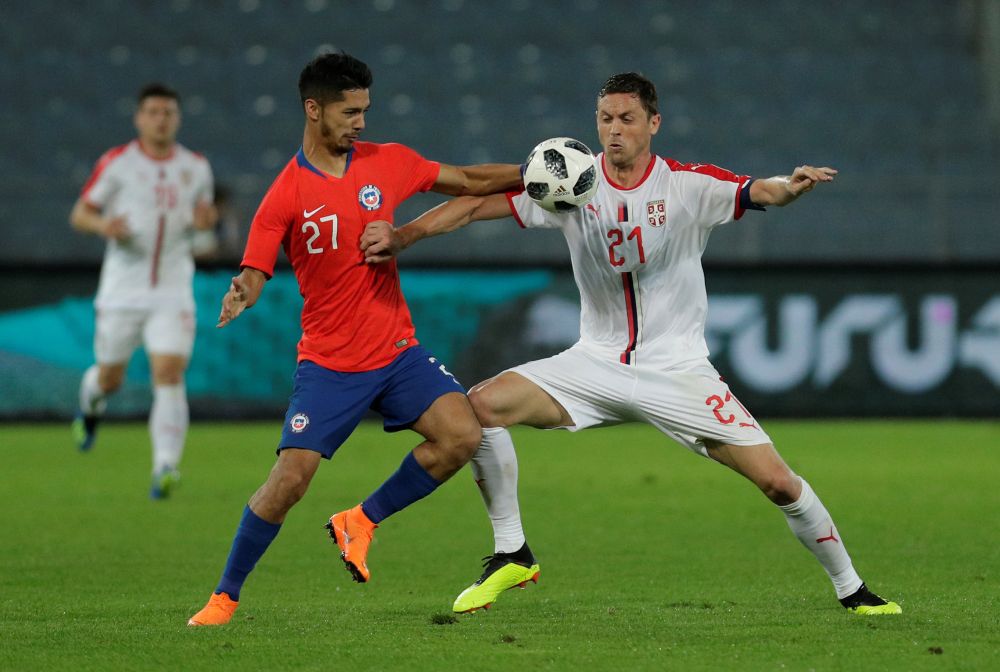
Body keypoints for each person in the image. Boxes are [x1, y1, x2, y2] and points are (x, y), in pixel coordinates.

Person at [360, 72, 901, 616]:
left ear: (654, 124)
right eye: (605, 119)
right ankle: (512, 552)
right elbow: (475, 206)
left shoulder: (686, 185)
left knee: (779, 483)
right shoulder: (572, 181)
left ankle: (853, 589)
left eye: (627, 119)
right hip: (593, 362)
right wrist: (404, 236)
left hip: (677, 370)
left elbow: (760, 191)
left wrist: (791, 185)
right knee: (478, 409)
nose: (614, 131)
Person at [187, 52, 521, 627]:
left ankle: (359, 521)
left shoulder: (388, 163)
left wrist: (541, 170)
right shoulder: (287, 193)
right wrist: (244, 287)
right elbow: (257, 264)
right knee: (290, 479)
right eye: (349, 111)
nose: (361, 122)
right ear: (313, 110)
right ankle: (224, 597)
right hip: (330, 365)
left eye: (365, 109)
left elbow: (467, 181)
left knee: (462, 435)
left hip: (397, 352)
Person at [70, 83, 217, 499]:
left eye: (168, 111)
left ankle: (165, 466)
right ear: (139, 118)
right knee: (110, 378)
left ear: (178, 118)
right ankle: (90, 407)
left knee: (169, 373)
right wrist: (104, 227)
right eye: (153, 111)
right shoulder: (117, 164)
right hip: (122, 291)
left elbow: (201, 235)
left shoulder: (196, 167)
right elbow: (80, 213)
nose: (161, 119)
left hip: (172, 289)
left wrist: (205, 227)